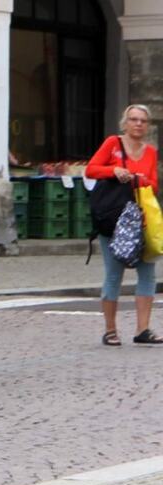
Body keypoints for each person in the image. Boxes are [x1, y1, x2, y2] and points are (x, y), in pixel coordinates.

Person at [84, 103, 159, 346]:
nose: (138, 124)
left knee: (147, 273)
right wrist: (114, 171)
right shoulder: (112, 144)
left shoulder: (150, 151)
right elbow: (91, 170)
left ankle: (143, 329)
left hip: (142, 219)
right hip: (115, 219)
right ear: (124, 123)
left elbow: (154, 185)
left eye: (143, 121)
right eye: (134, 119)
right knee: (114, 273)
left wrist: (140, 179)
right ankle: (110, 330)